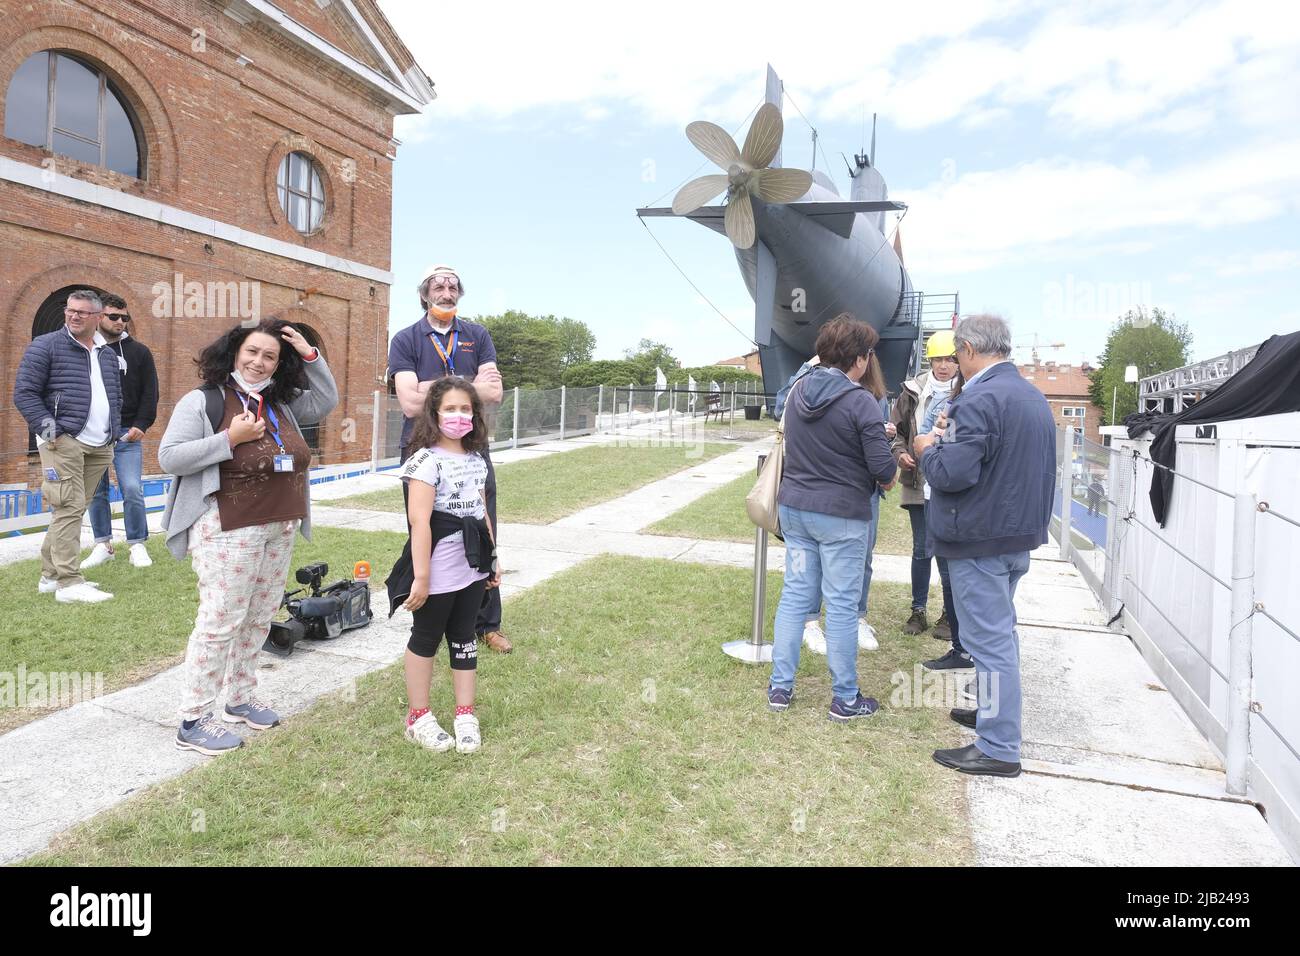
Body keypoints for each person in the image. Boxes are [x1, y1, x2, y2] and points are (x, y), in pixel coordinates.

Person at [159, 318, 338, 755]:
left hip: (279, 525)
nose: (259, 362)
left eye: (270, 356)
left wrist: (309, 352)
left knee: (259, 616)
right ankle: (194, 717)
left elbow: (327, 400)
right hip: (227, 527)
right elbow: (170, 458)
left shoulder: (282, 403)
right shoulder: (203, 400)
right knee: (221, 620)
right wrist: (228, 439)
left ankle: (239, 698)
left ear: (280, 365)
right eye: (252, 353)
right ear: (235, 353)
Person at [915, 314, 1055, 777]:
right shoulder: (1031, 395)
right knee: (1001, 637)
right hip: (1015, 535)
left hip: (979, 539)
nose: (955, 362)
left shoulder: (975, 401)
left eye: (957, 354)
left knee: (988, 643)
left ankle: (998, 747)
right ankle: (992, 715)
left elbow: (951, 472)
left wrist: (926, 445)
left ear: (970, 350)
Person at [766, 315, 897, 720]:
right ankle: (845, 697)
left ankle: (780, 688)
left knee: (795, 595)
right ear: (859, 359)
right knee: (841, 604)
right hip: (840, 517)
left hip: (796, 511)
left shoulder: (799, 390)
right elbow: (886, 476)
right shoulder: (861, 401)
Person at [387, 265, 511, 654]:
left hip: (470, 446)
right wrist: (467, 387)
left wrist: (433, 388)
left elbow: (494, 393)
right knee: (425, 528)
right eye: (438, 285)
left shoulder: (477, 335)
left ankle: (487, 623)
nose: (446, 291)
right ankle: (429, 614)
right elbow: (408, 403)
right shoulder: (406, 339)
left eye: (453, 286)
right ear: (425, 294)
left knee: (481, 525)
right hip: (420, 447)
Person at [392, 376, 501, 755]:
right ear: (435, 414)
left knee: (464, 636)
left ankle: (464, 712)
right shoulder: (424, 461)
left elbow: (481, 512)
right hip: (437, 567)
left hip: (472, 566)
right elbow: (419, 522)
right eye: (450, 409)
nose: (458, 415)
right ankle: (418, 716)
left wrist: (491, 559)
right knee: (426, 638)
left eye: (465, 409)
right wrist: (421, 578)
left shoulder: (476, 459)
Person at [775, 354, 896, 655]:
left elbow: (875, 449)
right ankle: (816, 630)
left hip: (852, 491)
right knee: (817, 578)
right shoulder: (804, 387)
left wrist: (883, 436)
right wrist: (806, 365)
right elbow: (781, 406)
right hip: (828, 496)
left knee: (857, 563)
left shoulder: (870, 395)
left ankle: (782, 685)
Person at [13, 289, 122, 603]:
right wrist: (53, 433)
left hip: (100, 443)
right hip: (63, 443)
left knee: (69, 510)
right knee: (69, 507)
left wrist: (114, 431)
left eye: (82, 312)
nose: (74, 316)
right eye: (70, 310)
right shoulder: (45, 346)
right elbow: (25, 395)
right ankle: (69, 583)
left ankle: (50, 576)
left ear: (98, 317)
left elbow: (113, 396)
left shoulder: (107, 353)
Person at [888, 330, 960, 638]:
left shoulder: (967, 392)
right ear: (928, 359)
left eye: (949, 359)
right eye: (937, 359)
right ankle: (918, 611)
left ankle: (949, 614)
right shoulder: (911, 391)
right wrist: (901, 453)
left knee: (945, 549)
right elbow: (896, 433)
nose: (943, 365)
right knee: (922, 548)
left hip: (947, 484)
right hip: (918, 482)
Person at [84, 294, 160, 570]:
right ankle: (102, 544)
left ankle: (137, 544)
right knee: (96, 490)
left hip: (128, 432)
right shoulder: (89, 349)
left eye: (124, 317)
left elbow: (150, 393)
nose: (119, 322)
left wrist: (142, 425)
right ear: (99, 317)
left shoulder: (139, 352)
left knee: (131, 488)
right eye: (113, 316)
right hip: (94, 434)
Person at [915, 372, 973, 673]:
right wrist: (937, 432)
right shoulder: (947, 405)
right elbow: (924, 441)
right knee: (948, 575)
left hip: (964, 503)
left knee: (964, 579)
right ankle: (961, 649)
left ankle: (969, 649)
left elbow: (946, 455)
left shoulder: (974, 408)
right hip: (937, 498)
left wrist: (935, 440)